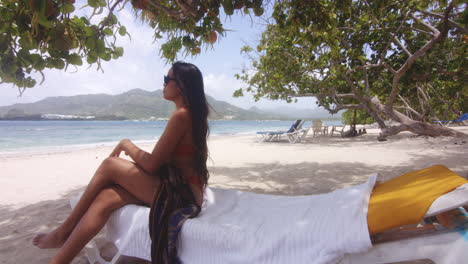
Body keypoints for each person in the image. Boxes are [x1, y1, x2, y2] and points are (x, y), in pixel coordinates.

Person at [32, 61, 210, 264]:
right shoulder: (191, 115)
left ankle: (63, 231)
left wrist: (126, 144)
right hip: (184, 191)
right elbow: (161, 163)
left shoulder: (182, 116)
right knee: (106, 197)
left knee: (110, 165)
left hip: (181, 196)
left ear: (179, 86)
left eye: (166, 79)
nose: (163, 84)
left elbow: (152, 164)